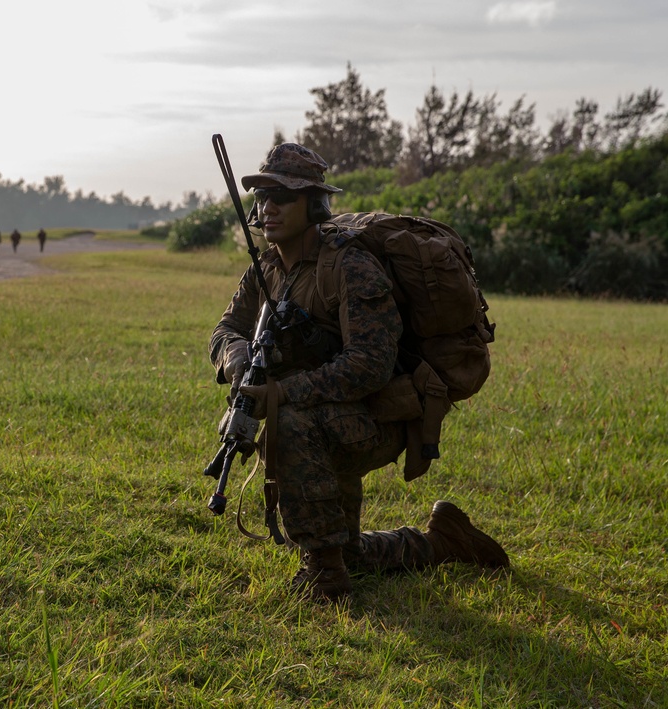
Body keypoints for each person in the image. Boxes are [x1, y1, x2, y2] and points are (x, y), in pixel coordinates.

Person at [208, 143, 509, 602]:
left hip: (380, 413)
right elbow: (226, 327)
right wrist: (237, 359)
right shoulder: (266, 266)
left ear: (313, 205)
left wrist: (283, 393)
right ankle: (443, 541)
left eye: (282, 198)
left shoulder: (351, 266)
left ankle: (325, 578)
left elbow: (370, 365)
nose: (268, 209)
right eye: (262, 197)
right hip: (328, 411)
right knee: (345, 547)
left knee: (290, 426)